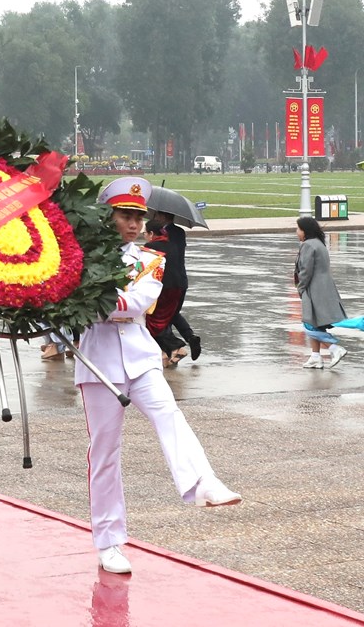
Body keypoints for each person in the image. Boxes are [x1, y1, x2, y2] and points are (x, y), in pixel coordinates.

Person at [79, 177, 241, 576]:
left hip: (140, 358)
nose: (134, 224)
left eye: (139, 216)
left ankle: (203, 481)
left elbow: (135, 305)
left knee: (170, 414)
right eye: (125, 215)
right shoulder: (78, 259)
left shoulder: (151, 260)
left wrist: (90, 295)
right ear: (108, 216)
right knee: (104, 455)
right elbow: (80, 307)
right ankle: (109, 541)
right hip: (98, 364)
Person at [295, 216, 348, 368]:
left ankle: (334, 348)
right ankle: (315, 356)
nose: (296, 232)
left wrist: (301, 287)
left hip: (314, 289)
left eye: (298, 229)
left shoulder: (308, 245)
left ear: (305, 231)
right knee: (316, 323)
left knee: (309, 325)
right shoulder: (319, 243)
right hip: (324, 287)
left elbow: (305, 271)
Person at [150, 210, 201, 361]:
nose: (155, 217)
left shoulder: (167, 236)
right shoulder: (179, 232)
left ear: (164, 216)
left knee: (160, 315)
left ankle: (175, 347)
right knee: (172, 313)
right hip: (180, 280)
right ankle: (189, 337)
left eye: (157, 215)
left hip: (168, 282)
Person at [142, 220, 188, 366]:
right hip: (176, 288)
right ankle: (166, 353)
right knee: (164, 320)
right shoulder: (171, 244)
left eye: (145, 233)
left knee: (153, 321)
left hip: (161, 288)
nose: (144, 235)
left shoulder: (150, 247)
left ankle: (176, 347)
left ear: (151, 233)